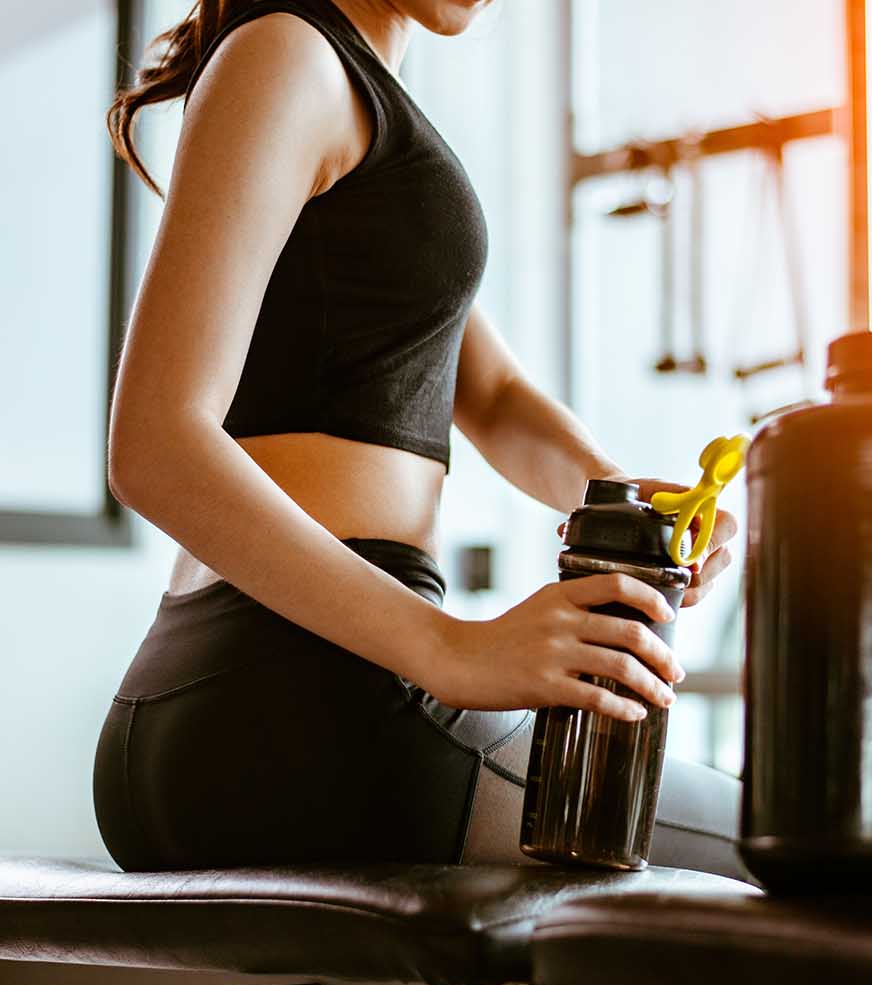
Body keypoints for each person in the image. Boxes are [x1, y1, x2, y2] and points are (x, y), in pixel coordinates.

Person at [92, 0, 747, 880]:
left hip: (246, 703)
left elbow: (498, 396)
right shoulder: (290, 53)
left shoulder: (362, 94)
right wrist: (455, 651)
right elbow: (154, 446)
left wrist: (632, 502)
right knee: (790, 847)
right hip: (304, 700)